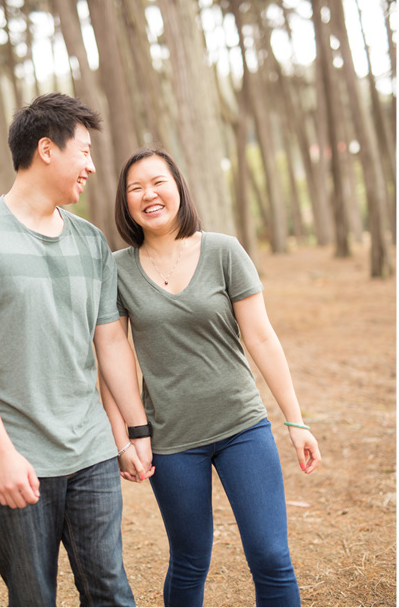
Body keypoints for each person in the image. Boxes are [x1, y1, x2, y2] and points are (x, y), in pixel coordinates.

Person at [0, 93, 153, 607]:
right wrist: (1, 455)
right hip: (18, 458)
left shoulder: (90, 242)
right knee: (33, 597)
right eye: (83, 151)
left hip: (93, 453)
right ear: (46, 149)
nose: (90, 165)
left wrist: (134, 430)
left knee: (110, 590)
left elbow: (110, 345)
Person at [98, 147, 321, 607]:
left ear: (178, 186)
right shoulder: (116, 269)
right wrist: (124, 439)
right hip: (172, 440)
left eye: (158, 181)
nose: (149, 194)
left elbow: (261, 338)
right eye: (135, 188)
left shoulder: (223, 250)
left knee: (271, 556)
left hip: (242, 427)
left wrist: (295, 421)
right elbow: (113, 357)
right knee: (190, 558)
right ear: (125, 203)